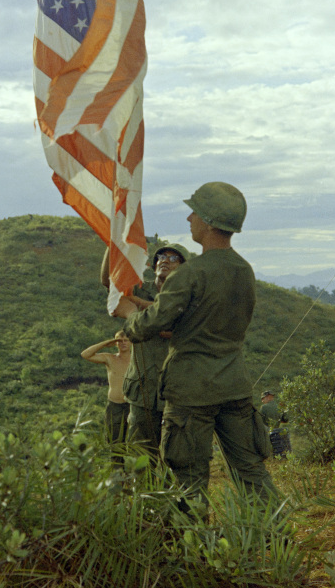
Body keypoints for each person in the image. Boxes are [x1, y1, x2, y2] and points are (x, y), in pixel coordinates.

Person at [114, 182, 277, 504]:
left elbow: (155, 322)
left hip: (191, 389)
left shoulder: (190, 275)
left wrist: (129, 319)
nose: (189, 218)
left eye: (195, 212)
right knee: (251, 470)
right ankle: (277, 539)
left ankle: (195, 549)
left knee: (188, 476)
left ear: (209, 221)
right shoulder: (244, 270)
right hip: (234, 384)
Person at [101, 243, 189, 458]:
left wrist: (143, 313)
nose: (165, 260)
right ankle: (145, 492)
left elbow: (179, 325)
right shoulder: (140, 287)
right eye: (161, 256)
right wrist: (112, 242)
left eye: (173, 258)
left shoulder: (189, 296)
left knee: (176, 455)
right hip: (143, 388)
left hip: (178, 389)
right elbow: (108, 282)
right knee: (142, 456)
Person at [81, 330, 131, 446]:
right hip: (115, 405)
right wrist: (106, 343)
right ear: (115, 343)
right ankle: (117, 464)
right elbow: (85, 354)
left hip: (133, 404)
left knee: (137, 441)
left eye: (126, 340)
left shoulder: (137, 359)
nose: (123, 343)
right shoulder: (110, 358)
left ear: (131, 342)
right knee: (115, 442)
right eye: (119, 341)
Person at [260, 390, 291, 458]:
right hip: (277, 432)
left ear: (267, 397)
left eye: (263, 398)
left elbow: (260, 421)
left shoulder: (264, 407)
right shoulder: (279, 407)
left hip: (267, 432)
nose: (262, 401)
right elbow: (285, 419)